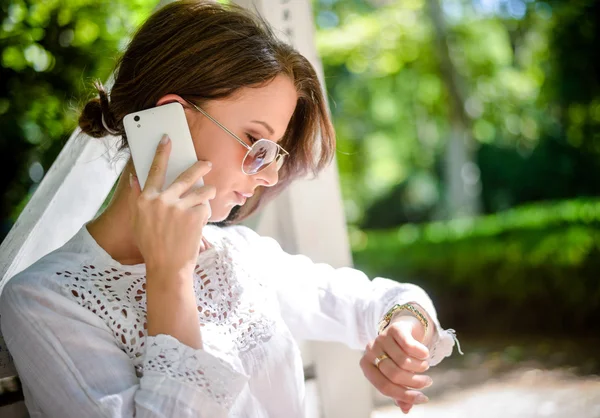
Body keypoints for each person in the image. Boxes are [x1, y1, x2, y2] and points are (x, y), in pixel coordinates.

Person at [0, 1, 459, 417]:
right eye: (257, 142)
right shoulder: (45, 301)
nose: (269, 176)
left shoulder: (240, 256)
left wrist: (404, 327)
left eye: (274, 152)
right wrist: (169, 276)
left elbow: (379, 300)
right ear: (170, 123)